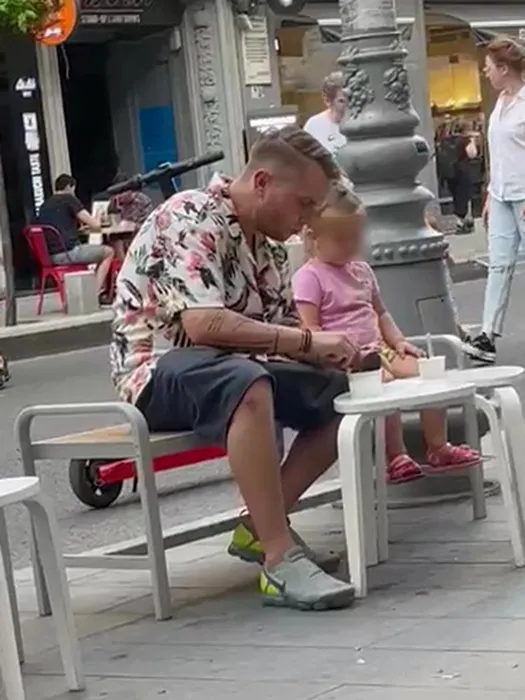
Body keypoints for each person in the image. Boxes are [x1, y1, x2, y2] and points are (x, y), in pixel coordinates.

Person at [110, 126, 357, 611]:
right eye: (304, 204)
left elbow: (282, 331)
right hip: (154, 371)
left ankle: (258, 527)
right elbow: (203, 325)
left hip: (235, 369)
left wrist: (343, 353)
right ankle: (279, 559)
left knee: (340, 393)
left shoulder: (267, 245)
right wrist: (307, 341)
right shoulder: (190, 215)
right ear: (262, 182)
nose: (309, 219)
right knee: (247, 382)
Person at [292, 185, 480, 484]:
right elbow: (309, 328)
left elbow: (380, 313)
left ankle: (437, 445)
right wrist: (335, 355)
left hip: (380, 348)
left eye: (355, 237)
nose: (350, 246)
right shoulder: (310, 277)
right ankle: (396, 454)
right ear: (314, 238)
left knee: (430, 372)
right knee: (385, 383)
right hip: (346, 360)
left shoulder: (362, 271)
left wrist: (399, 341)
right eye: (341, 239)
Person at [464, 37, 525, 364]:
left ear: (504, 68)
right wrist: (489, 192)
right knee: (499, 265)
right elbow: (499, 153)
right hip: (502, 195)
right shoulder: (500, 102)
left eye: (488, 67)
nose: (485, 72)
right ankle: (487, 336)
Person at [38, 174, 115, 303]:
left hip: (50, 256)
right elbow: (95, 224)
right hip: (68, 253)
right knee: (109, 252)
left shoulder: (44, 205)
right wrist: (99, 216)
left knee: (95, 252)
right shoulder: (69, 199)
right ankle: (94, 294)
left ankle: (93, 290)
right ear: (69, 187)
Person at [304, 72, 347, 155]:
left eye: (351, 99)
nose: (348, 105)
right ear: (327, 101)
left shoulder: (360, 124)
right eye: (342, 101)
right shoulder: (314, 126)